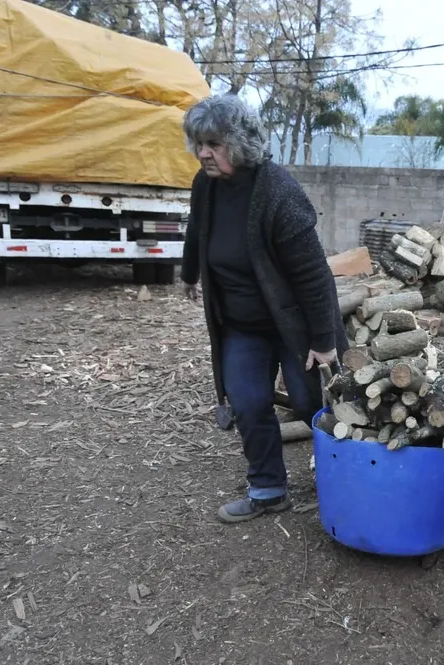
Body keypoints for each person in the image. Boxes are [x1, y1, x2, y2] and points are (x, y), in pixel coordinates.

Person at [180, 94, 348, 524]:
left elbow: (313, 275)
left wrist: (324, 343)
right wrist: (188, 275)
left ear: (238, 142)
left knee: (318, 405)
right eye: (199, 143)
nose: (204, 153)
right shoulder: (206, 185)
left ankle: (349, 483)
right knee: (249, 403)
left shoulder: (278, 192)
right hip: (240, 325)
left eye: (214, 143)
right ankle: (269, 489)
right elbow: (198, 230)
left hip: (294, 324)